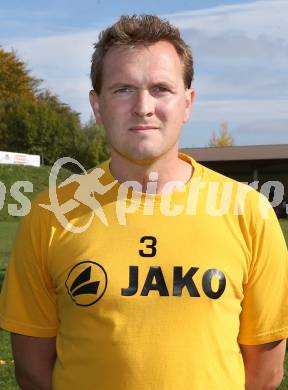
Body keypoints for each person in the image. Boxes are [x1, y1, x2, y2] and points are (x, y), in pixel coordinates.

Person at [0, 14, 287, 390]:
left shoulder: (249, 213)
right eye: (122, 89)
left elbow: (264, 374)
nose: (143, 106)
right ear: (97, 105)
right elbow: (33, 371)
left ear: (187, 103)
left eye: (161, 88)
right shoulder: (49, 216)